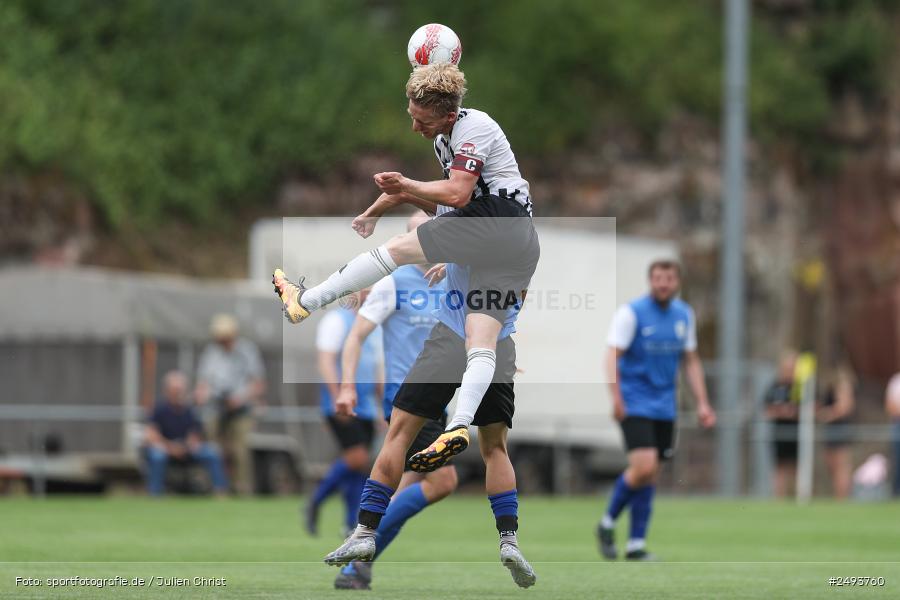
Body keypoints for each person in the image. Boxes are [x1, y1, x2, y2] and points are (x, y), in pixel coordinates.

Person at [278, 63, 538, 588]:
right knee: (485, 354)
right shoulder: (454, 139)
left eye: (420, 119)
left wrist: (403, 195)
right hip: (511, 249)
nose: (414, 126)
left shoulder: (472, 130)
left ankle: (307, 300)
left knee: (395, 253)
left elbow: (458, 195)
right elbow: (435, 199)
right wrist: (381, 203)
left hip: (490, 235)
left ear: (444, 112)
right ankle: (503, 527)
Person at [332, 211, 459, 591]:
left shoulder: (453, 279)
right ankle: (356, 559)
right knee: (443, 482)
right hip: (407, 398)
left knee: (402, 487)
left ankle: (355, 568)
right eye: (416, 235)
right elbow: (355, 336)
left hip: (438, 398)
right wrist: (347, 387)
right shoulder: (393, 283)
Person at [598, 260, 716, 561]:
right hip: (635, 401)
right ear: (650, 281)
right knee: (644, 467)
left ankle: (636, 544)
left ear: (677, 282)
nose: (663, 283)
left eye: (669, 278)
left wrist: (702, 402)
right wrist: (617, 398)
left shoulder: (684, 315)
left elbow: (690, 360)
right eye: (658, 278)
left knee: (651, 475)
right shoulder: (631, 313)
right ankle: (608, 521)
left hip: (666, 405)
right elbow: (611, 355)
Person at [308, 292, 382, 538]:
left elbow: (376, 368)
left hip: (367, 406)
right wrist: (337, 395)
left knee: (360, 467)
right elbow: (326, 362)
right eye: (364, 288)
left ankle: (351, 523)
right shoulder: (336, 320)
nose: (369, 294)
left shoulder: (374, 325)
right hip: (342, 404)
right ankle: (316, 499)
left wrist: (384, 407)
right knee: (357, 457)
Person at [194, 314, 266, 495]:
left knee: (240, 449)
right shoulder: (211, 353)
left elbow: (258, 384)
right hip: (216, 406)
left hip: (242, 408)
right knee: (213, 448)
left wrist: (240, 398)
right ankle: (217, 487)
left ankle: (243, 489)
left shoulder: (247, 351)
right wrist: (201, 394)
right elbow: (203, 382)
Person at [144, 370, 228, 496]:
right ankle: (155, 492)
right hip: (166, 448)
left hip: (186, 449)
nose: (178, 393)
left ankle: (220, 490)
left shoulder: (190, 410)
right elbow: (152, 434)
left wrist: (188, 446)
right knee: (157, 455)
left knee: (212, 452)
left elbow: (195, 434)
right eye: (175, 389)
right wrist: (170, 447)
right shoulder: (159, 409)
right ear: (167, 390)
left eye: (180, 390)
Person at [764, 351, 800, 498]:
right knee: (780, 468)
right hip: (779, 433)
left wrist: (795, 412)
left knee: (797, 468)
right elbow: (766, 409)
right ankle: (780, 499)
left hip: (798, 434)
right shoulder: (775, 386)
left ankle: (798, 498)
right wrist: (781, 412)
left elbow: (813, 408)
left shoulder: (801, 387)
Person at [818, 364, 856, 500]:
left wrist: (827, 415)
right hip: (831, 430)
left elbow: (845, 407)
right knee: (832, 466)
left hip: (840, 429)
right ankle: (838, 496)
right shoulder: (830, 386)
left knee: (841, 466)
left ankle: (842, 498)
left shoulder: (843, 384)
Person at [886, 372, 900, 497]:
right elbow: (890, 405)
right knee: (897, 460)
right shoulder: (896, 381)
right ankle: (896, 492)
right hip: (898, 424)